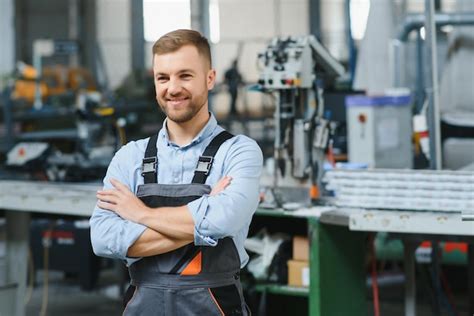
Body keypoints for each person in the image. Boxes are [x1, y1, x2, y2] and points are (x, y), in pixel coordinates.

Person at [90, 29, 262, 315]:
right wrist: (203, 221)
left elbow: (224, 220)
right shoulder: (130, 156)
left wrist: (140, 213)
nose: (172, 88)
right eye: (163, 78)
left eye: (185, 75)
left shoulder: (238, 152)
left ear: (210, 78)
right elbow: (103, 238)